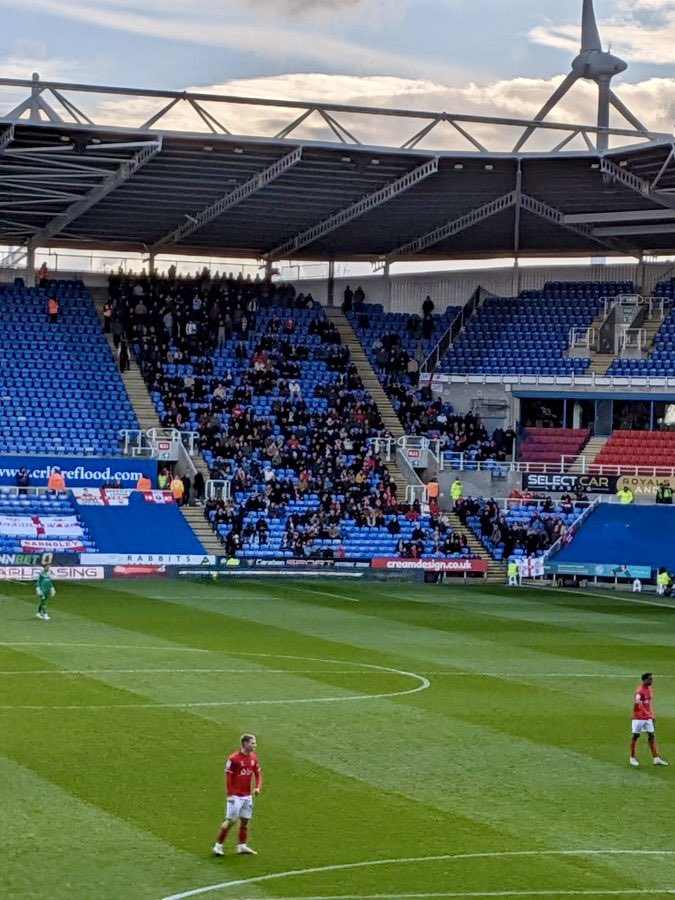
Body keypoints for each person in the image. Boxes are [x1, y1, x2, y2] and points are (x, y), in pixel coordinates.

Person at [213, 733, 262, 856]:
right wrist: (229, 795)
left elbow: (257, 773)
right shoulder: (233, 758)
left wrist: (257, 787)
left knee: (245, 821)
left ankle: (242, 846)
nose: (255, 745)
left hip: (247, 796)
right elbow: (228, 777)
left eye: (255, 743)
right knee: (231, 821)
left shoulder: (253, 757)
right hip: (235, 796)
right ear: (245, 744)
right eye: (252, 743)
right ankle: (218, 846)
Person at [630, 673, 668, 767]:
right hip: (638, 718)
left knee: (651, 736)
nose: (651, 681)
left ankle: (656, 758)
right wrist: (647, 714)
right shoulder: (639, 692)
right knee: (635, 736)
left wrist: (652, 715)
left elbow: (648, 704)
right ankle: (632, 757)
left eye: (651, 679)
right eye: (650, 679)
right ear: (645, 680)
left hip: (648, 718)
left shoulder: (650, 690)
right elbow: (638, 705)